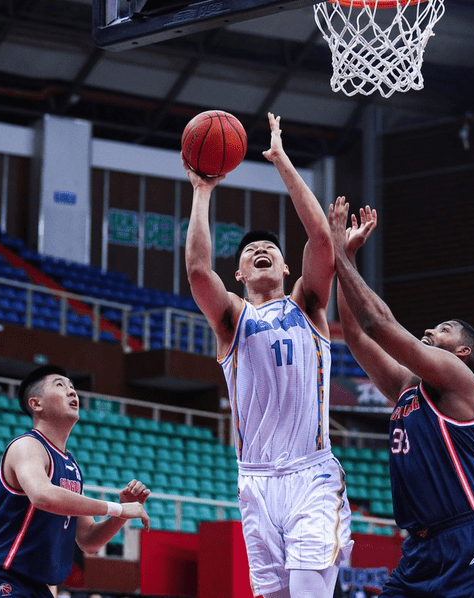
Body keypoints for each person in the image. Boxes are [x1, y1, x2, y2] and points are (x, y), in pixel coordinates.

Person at [184, 112, 352, 598]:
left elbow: (322, 241)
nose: (261, 248)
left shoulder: (308, 305)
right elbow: (197, 270)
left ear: (284, 265)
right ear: (237, 273)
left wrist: (280, 161)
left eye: (270, 248)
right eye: (250, 249)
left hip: (311, 473)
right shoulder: (232, 320)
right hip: (255, 482)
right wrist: (202, 190)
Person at [327, 197, 474, 598]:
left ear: (462, 352)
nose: (432, 328)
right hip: (420, 550)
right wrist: (346, 258)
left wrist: (337, 251)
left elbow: (377, 323)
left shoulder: (457, 379)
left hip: (471, 541)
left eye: (445, 329)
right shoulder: (405, 387)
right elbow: (357, 336)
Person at [0, 365, 150, 598]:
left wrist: (121, 515)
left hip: (38, 588)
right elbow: (42, 495)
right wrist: (118, 507)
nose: (72, 392)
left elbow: (88, 541)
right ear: (36, 404)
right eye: (60, 386)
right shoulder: (27, 446)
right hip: (1, 579)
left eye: (73, 387)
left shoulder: (71, 466)